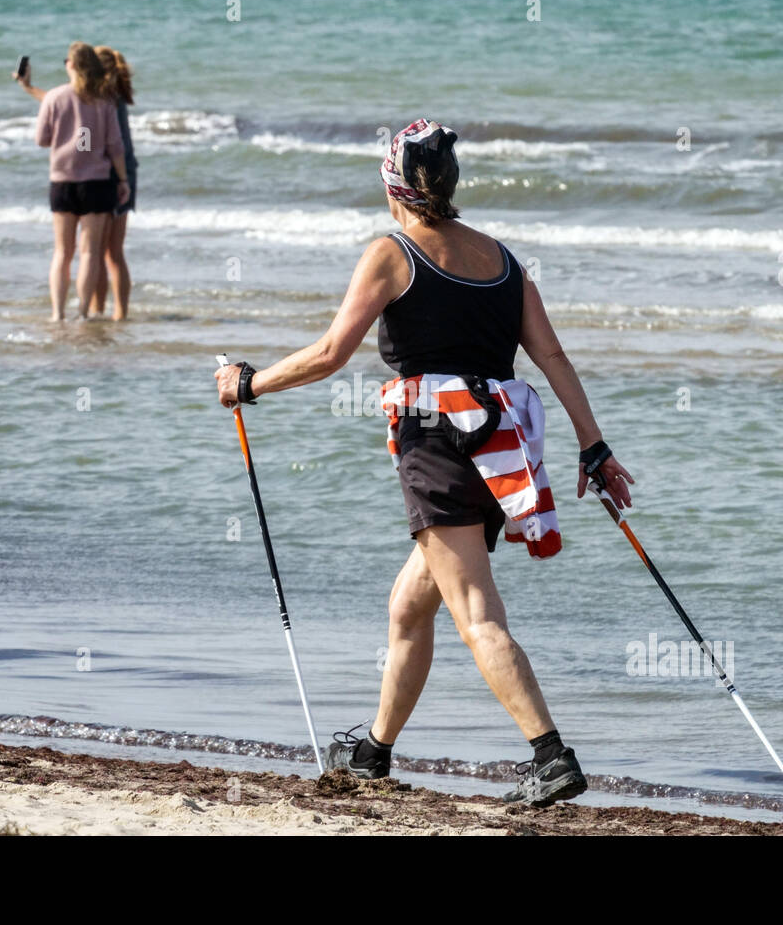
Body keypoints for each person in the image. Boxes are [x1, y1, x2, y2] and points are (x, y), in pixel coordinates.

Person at [215, 118, 635, 806]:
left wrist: (249, 384)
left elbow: (330, 354)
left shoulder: (392, 252)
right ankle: (374, 752)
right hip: (499, 451)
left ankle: (550, 755)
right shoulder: (504, 262)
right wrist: (595, 445)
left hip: (437, 444)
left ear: (395, 189)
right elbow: (551, 358)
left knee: (475, 611)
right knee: (410, 605)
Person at [14, 43, 129, 320]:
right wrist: (123, 180)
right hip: (97, 183)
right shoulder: (103, 101)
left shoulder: (55, 97)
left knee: (62, 252)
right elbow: (115, 146)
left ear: (72, 65)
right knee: (89, 253)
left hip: (62, 181)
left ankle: (57, 313)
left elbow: (41, 139)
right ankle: (82, 312)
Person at [85, 46, 137, 321]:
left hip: (115, 176)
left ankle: (109, 311)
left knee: (104, 252)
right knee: (110, 251)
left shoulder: (102, 98)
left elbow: (61, 101)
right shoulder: (115, 95)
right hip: (123, 173)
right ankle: (113, 312)